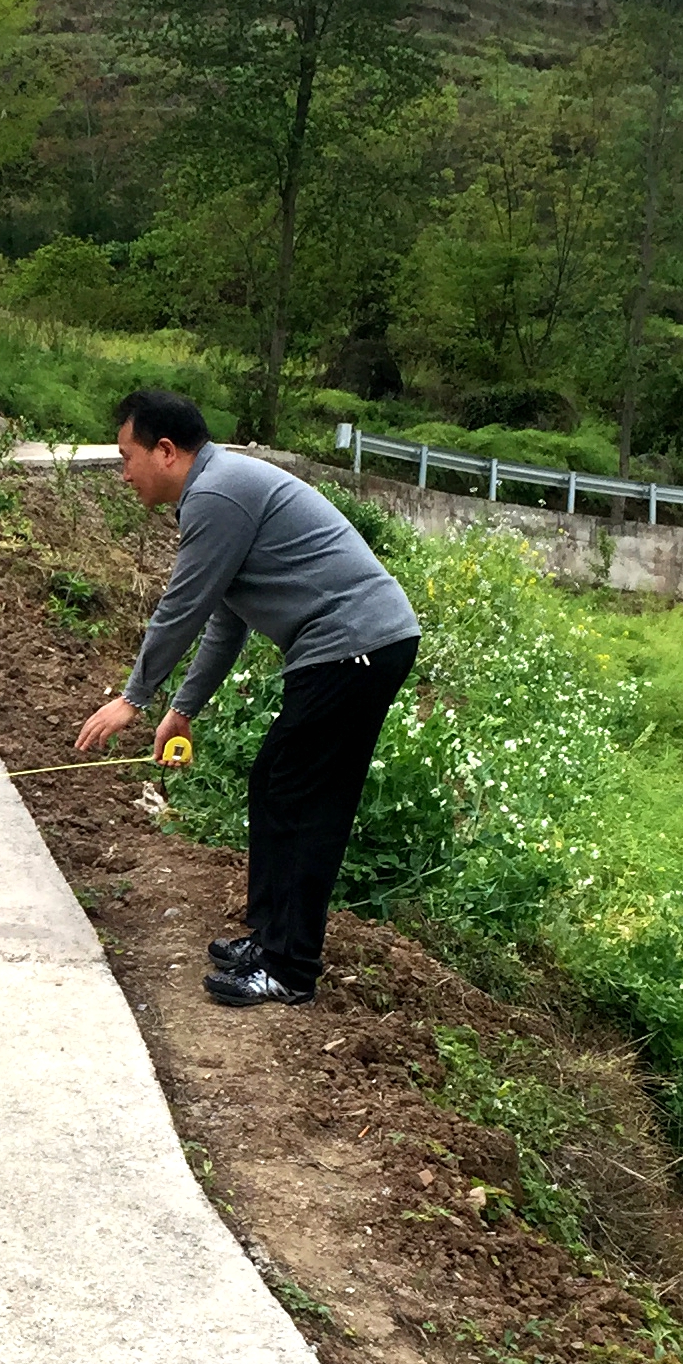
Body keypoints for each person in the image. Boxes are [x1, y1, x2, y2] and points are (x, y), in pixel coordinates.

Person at [74, 390, 421, 1007]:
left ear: (166, 451)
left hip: (355, 645)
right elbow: (223, 621)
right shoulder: (218, 490)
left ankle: (290, 968)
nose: (123, 473)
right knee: (274, 781)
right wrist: (182, 709)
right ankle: (269, 939)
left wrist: (134, 699)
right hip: (347, 647)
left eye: (127, 457)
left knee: (305, 799)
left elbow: (180, 609)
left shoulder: (215, 495)